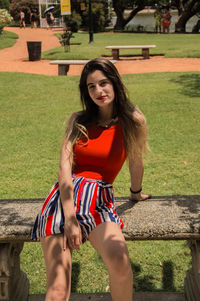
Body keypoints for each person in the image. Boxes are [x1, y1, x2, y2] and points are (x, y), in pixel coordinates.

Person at [32, 58, 151, 301]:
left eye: (103, 83)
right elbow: (64, 168)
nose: (98, 91)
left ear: (115, 83)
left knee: (120, 262)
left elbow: (136, 160)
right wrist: (70, 217)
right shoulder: (77, 120)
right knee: (57, 290)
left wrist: (135, 192)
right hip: (64, 201)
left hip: (99, 201)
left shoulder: (133, 120)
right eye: (91, 86)